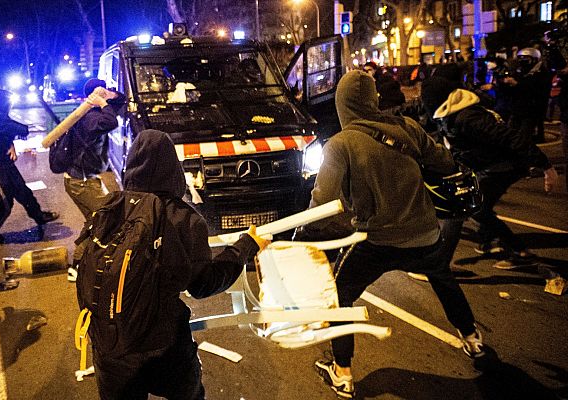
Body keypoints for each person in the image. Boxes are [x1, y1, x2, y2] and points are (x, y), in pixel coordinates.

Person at [305, 71, 483, 399]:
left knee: (339, 294)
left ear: (342, 104)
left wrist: (304, 233)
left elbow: (323, 200)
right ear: (374, 100)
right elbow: (444, 163)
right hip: (424, 233)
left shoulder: (341, 144)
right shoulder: (407, 128)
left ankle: (342, 372)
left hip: (376, 241)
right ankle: (473, 340)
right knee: (442, 277)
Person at [91, 129, 269, 399]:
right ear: (172, 167)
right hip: (164, 347)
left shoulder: (108, 209)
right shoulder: (183, 218)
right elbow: (203, 284)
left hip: (110, 343)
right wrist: (246, 246)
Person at [421, 76, 559, 269]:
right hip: (488, 165)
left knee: (465, 206)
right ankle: (494, 243)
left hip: (503, 166)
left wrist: (546, 167)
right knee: (477, 208)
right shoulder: (449, 112)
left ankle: (440, 266)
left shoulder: (469, 117)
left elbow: (512, 137)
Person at [0, 89, 58, 244]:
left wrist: (8, 142)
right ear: (4, 104)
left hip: (6, 164)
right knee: (6, 201)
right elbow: (22, 129)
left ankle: (39, 216)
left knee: (23, 192)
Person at [64, 79, 125, 282]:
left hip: (84, 180)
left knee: (96, 221)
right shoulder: (90, 117)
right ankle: (79, 265)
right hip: (81, 182)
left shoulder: (96, 113)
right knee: (107, 218)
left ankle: (80, 264)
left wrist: (110, 96)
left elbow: (122, 101)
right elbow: (111, 121)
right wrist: (102, 103)